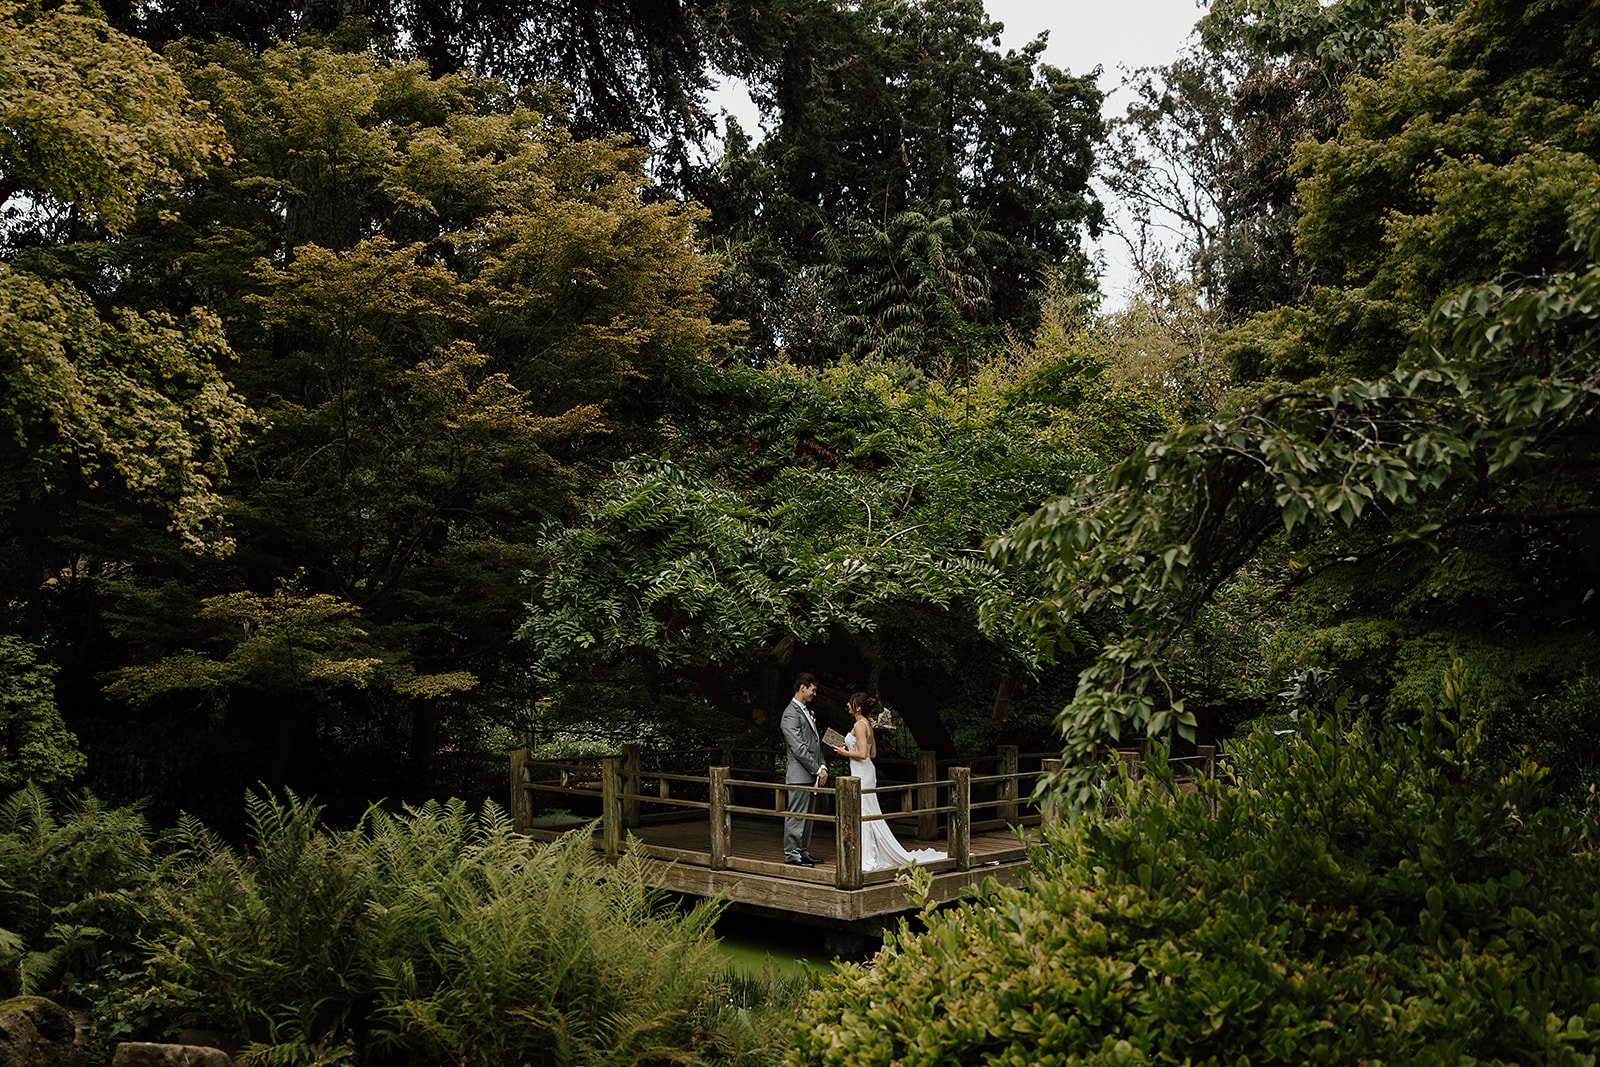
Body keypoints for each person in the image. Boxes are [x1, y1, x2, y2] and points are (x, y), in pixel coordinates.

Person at [830, 691, 946, 872]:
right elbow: (873, 752)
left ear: (858, 707)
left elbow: (862, 754)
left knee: (864, 812)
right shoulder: (867, 723)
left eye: (850, 703)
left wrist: (845, 752)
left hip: (861, 770)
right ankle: (866, 851)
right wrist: (851, 748)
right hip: (866, 770)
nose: (847, 705)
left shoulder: (860, 725)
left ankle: (867, 856)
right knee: (866, 810)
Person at [780, 673, 827, 866]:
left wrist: (822, 766)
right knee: (797, 815)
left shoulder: (806, 711)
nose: (814, 693)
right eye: (813, 689)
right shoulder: (790, 713)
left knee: (808, 817)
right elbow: (798, 747)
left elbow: (815, 743)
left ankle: (803, 851)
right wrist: (817, 769)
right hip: (799, 774)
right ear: (802, 687)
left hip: (811, 773)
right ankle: (792, 854)